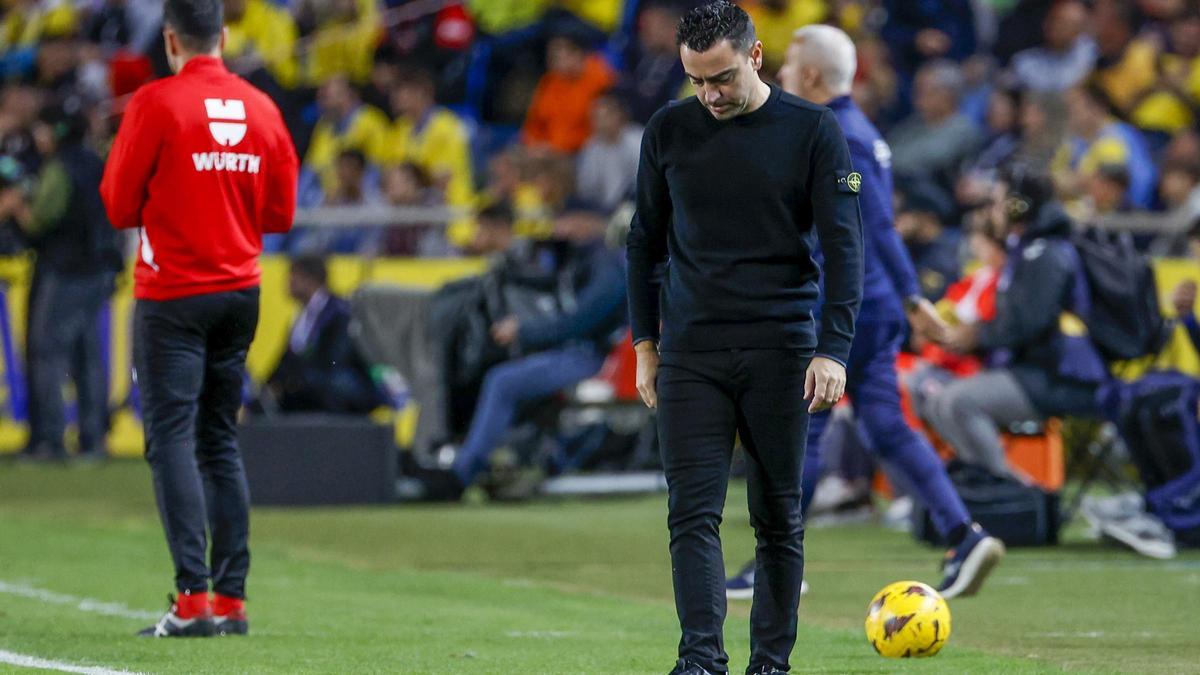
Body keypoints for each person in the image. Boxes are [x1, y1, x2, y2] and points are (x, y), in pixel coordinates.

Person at [726, 24, 1004, 605]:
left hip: (841, 308)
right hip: (868, 307)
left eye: (788, 66)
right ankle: (963, 533)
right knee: (884, 424)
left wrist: (912, 297)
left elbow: (874, 221)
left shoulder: (838, 136)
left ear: (809, 76)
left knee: (797, 428)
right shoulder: (859, 132)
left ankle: (777, 563)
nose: (778, 76)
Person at [625, 4, 863, 673]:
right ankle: (700, 658)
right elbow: (642, 241)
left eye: (721, 78)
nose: (710, 95)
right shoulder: (669, 129)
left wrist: (833, 348)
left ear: (755, 57)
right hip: (692, 351)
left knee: (777, 517)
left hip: (781, 347)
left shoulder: (814, 130)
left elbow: (847, 250)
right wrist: (646, 342)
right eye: (696, 81)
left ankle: (770, 664)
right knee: (690, 513)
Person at [99, 0, 298, 638]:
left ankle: (191, 603)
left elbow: (118, 203)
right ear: (225, 36)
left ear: (169, 40)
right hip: (240, 292)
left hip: (173, 295)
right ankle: (232, 601)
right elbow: (280, 214)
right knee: (218, 439)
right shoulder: (262, 107)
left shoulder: (156, 103)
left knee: (171, 439)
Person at [409, 205, 627, 501]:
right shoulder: (586, 261)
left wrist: (525, 332)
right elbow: (546, 288)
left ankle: (462, 473)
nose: (558, 228)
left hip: (594, 357)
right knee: (502, 373)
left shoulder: (609, 268)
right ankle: (508, 463)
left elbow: (579, 322)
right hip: (577, 351)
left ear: (588, 223)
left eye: (566, 220)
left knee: (503, 380)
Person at [928, 166, 1107, 479]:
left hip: (1060, 374)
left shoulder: (1046, 253)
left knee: (958, 401)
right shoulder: (1027, 249)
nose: (993, 209)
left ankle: (1012, 488)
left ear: (1018, 206)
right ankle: (986, 485)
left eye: (998, 200)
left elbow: (1032, 323)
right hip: (1035, 368)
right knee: (935, 399)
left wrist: (978, 338)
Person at [0, 93, 123, 462]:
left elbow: (41, 219)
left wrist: (17, 204)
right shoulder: (95, 162)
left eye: (41, 129)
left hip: (66, 270)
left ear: (53, 131)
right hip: (98, 269)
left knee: (47, 353)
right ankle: (93, 439)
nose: (38, 136)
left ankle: (49, 440)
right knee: (87, 356)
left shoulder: (59, 168)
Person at [260, 255, 385, 416]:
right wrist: (267, 387)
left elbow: (335, 359)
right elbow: (287, 359)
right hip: (314, 383)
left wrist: (299, 379)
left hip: (343, 386)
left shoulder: (339, 311)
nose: (288, 282)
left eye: (293, 275)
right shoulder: (301, 318)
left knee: (331, 383)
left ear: (310, 279)